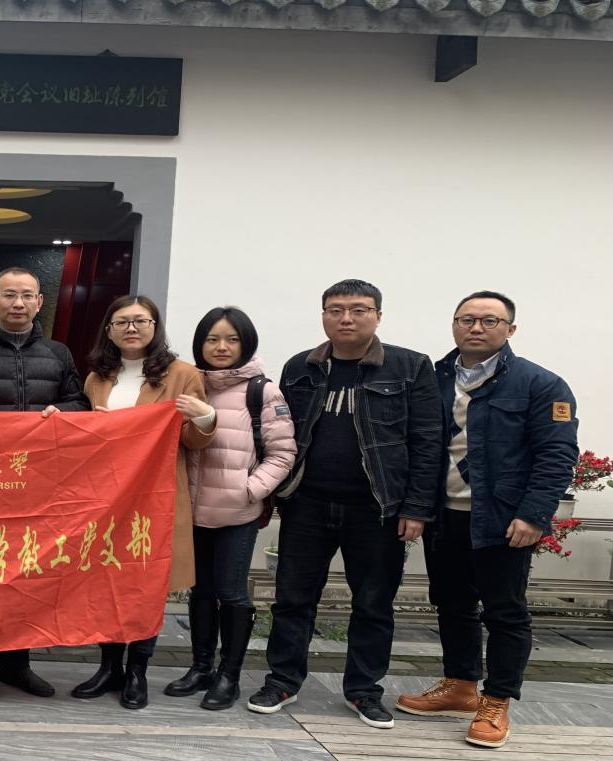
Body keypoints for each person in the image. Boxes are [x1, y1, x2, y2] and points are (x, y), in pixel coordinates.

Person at [245, 279, 441, 730]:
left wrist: (416, 507)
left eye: (358, 309)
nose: (346, 318)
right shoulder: (302, 367)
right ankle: (282, 680)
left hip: (378, 509)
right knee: (292, 599)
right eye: (335, 310)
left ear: (378, 316)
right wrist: (273, 493)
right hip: (307, 504)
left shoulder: (410, 367)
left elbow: (428, 441)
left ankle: (363, 690)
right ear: (324, 316)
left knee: (373, 603)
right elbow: (279, 435)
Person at [396, 291, 578, 748]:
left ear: (510, 329)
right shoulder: (433, 378)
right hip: (445, 515)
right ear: (454, 324)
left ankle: (496, 700)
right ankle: (460, 686)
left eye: (489, 320)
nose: (476, 327)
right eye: (466, 319)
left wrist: (533, 514)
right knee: (451, 603)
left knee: (504, 611)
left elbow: (557, 455)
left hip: (502, 520)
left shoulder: (541, 384)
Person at [0, 266, 91, 705]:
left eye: (27, 295)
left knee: (28, 575)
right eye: (9, 295)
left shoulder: (59, 354)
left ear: (40, 302)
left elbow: (79, 403)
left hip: (41, 485)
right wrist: (8, 432)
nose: (18, 303)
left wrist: (60, 412)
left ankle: (17, 663)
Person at [70, 295, 216, 710]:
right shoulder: (97, 377)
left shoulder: (182, 374)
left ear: (155, 326)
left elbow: (192, 441)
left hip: (156, 497)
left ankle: (138, 671)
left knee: (146, 587)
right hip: (106, 498)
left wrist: (205, 417)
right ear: (109, 330)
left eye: (140, 321)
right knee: (105, 581)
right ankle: (109, 668)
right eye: (122, 322)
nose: (131, 328)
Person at [164, 307, 296, 710]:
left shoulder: (262, 391)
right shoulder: (188, 385)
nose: (221, 347)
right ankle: (200, 667)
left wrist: (249, 490)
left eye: (232, 339)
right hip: (191, 512)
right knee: (200, 591)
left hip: (236, 513)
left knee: (231, 592)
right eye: (212, 339)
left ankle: (229, 675)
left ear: (246, 344)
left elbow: (283, 453)